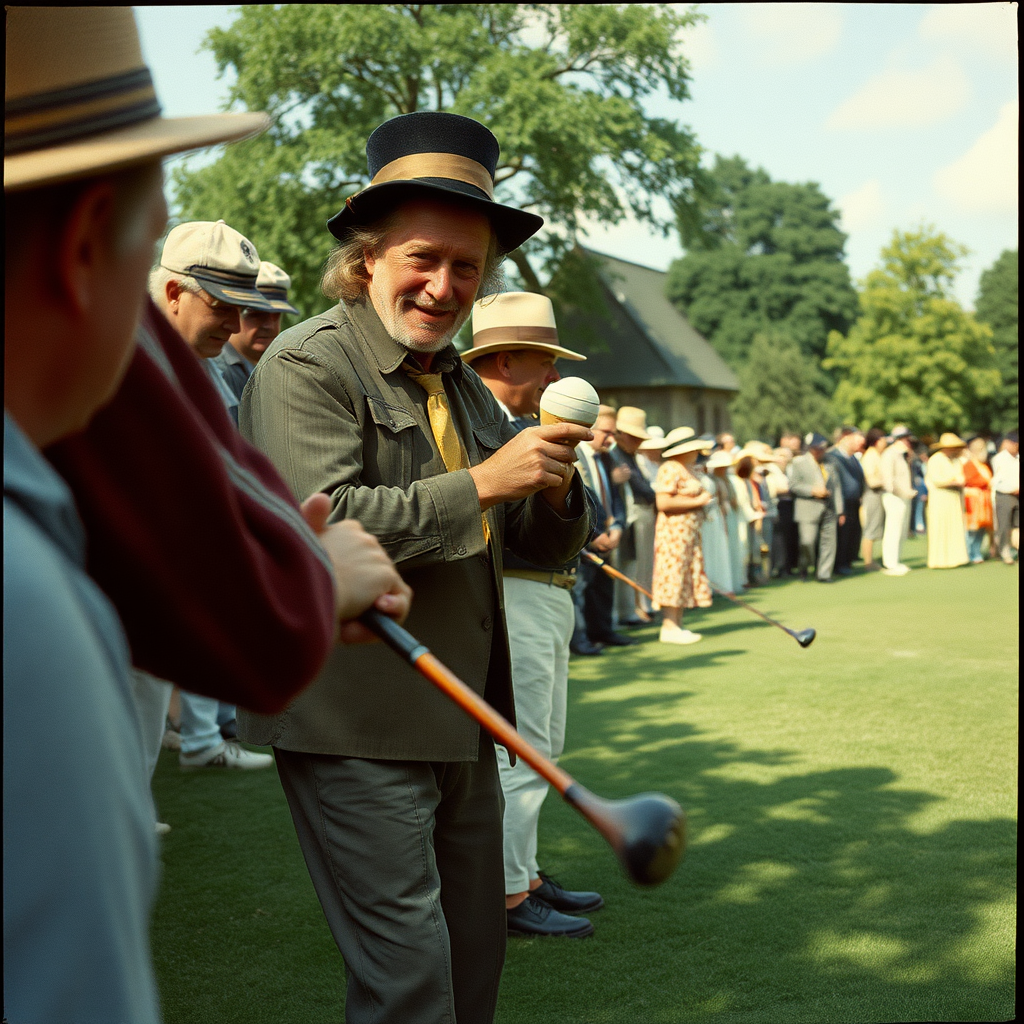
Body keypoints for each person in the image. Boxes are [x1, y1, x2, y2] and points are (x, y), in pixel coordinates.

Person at [238, 111, 594, 1024]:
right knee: (409, 982)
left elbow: (538, 550)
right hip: (352, 715)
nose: (444, 287)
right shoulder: (305, 364)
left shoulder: (463, 380)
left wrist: (552, 487)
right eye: (422, 259)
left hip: (465, 716)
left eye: (466, 267)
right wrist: (482, 483)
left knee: (474, 962)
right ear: (366, 259)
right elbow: (320, 527)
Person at [464, 291, 603, 939]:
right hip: (512, 594)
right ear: (506, 358)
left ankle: (523, 872)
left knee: (540, 748)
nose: (553, 375)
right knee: (520, 756)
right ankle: (508, 894)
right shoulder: (479, 423)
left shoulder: (515, 425)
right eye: (544, 360)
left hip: (545, 594)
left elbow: (577, 527)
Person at [149, 221, 284, 769]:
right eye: (222, 304)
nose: (235, 322)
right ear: (176, 292)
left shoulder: (195, 365)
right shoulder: (109, 346)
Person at [575, 406, 636, 648]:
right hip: (587, 537)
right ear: (588, 428)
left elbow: (616, 497)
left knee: (603, 586)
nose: (611, 440)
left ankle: (603, 631)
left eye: (614, 434)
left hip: (609, 534)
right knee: (580, 588)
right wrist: (594, 536)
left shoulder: (608, 458)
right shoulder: (575, 455)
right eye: (606, 433)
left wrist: (618, 527)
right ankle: (580, 640)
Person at [213, 260, 300, 408]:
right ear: (235, 311)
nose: (268, 325)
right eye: (256, 314)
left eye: (276, 314)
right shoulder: (219, 370)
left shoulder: (281, 368)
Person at [652, 437, 714, 644]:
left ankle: (677, 624)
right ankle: (669, 625)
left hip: (689, 533)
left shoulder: (687, 468)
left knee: (685, 574)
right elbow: (664, 502)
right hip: (674, 533)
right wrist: (697, 501)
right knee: (673, 574)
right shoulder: (670, 468)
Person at [612, 407, 657, 626]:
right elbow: (638, 485)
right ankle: (626, 610)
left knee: (634, 562)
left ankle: (633, 608)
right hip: (629, 513)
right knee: (628, 563)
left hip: (635, 512)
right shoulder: (615, 454)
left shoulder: (629, 455)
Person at [789, 432, 844, 582]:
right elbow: (793, 485)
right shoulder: (799, 463)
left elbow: (837, 486)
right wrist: (812, 491)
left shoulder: (830, 462)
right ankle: (804, 566)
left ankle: (824, 573)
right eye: (818, 448)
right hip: (808, 507)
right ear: (811, 448)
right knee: (807, 541)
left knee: (829, 541)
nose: (821, 451)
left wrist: (840, 510)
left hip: (829, 507)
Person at [635, 427, 669, 613]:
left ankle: (651, 598)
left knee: (652, 561)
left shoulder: (656, 465)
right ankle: (642, 602)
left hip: (656, 514)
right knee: (642, 561)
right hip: (645, 511)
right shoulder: (640, 462)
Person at [925, 433, 969, 569]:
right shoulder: (935, 460)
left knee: (954, 526)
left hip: (953, 498)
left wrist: (959, 482)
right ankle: (939, 560)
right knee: (940, 527)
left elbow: (961, 477)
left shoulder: (956, 461)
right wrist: (953, 482)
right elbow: (936, 479)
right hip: (940, 498)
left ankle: (956, 558)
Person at [879, 426, 917, 575]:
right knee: (893, 530)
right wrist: (904, 492)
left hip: (903, 497)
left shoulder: (902, 455)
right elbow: (889, 482)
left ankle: (896, 560)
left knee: (901, 530)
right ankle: (890, 563)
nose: (908, 441)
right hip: (894, 497)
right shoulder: (890, 454)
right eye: (906, 438)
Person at [829, 427, 866, 575]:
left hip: (854, 501)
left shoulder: (852, 458)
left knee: (852, 534)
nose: (860, 446)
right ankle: (839, 564)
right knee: (842, 535)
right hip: (841, 502)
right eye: (857, 442)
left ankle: (848, 561)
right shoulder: (833, 456)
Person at [700, 449, 737, 594]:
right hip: (708, 516)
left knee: (717, 548)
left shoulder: (713, 479)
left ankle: (720, 584)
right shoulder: (704, 478)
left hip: (715, 515)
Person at [860, 428, 888, 570]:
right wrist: (887, 481)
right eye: (883, 439)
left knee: (878, 528)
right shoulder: (870, 456)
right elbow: (871, 481)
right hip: (872, 495)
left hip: (879, 494)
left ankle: (876, 559)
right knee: (871, 528)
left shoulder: (878, 455)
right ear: (877, 441)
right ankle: (868, 562)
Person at [963, 436, 994, 563]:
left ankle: (977, 552)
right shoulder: (969, 465)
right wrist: (985, 483)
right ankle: (970, 552)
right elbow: (970, 479)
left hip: (984, 501)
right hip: (973, 501)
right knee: (972, 530)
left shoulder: (984, 465)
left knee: (982, 529)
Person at [991, 431, 1019, 564]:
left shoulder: (1017, 458)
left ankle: (1016, 549)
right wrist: (1013, 488)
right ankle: (1004, 551)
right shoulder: (1000, 459)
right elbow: (1000, 480)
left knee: (1017, 526)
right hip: (1005, 495)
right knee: (1004, 525)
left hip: (1017, 495)